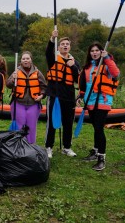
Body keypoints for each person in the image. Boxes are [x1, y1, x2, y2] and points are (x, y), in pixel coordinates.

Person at [77, 42, 120, 171]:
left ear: (101, 51)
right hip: (90, 101)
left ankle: (102, 158)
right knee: (96, 128)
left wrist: (107, 58)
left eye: (97, 50)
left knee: (99, 129)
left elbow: (116, 74)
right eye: (92, 51)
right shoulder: (87, 67)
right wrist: (80, 96)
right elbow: (85, 85)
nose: (94, 53)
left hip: (103, 101)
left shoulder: (107, 65)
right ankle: (95, 152)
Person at [45, 29, 81, 158]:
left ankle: (67, 147)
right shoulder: (53, 58)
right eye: (62, 44)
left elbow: (78, 79)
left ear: (70, 47)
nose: (65, 46)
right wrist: (52, 39)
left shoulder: (74, 62)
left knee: (68, 123)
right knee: (52, 122)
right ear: (59, 47)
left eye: (67, 44)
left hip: (69, 96)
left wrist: (73, 67)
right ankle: (49, 147)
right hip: (55, 94)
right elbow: (48, 52)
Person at [6, 51, 47, 144]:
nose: (25, 60)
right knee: (19, 125)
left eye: (27, 58)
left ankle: (30, 146)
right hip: (18, 103)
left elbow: (44, 87)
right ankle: (17, 145)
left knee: (31, 127)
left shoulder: (37, 72)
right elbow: (8, 85)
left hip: (33, 103)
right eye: (23, 58)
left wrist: (41, 96)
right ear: (21, 61)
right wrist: (13, 79)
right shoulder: (16, 71)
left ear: (31, 60)